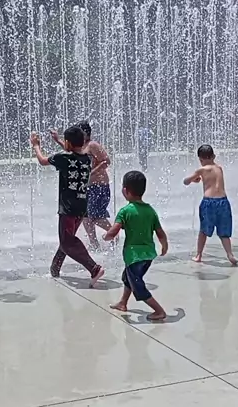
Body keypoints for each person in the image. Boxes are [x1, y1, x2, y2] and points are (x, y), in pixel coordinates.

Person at [31, 126, 105, 286]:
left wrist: (36, 145)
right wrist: (58, 140)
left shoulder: (63, 158)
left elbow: (43, 161)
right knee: (66, 239)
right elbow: (73, 153)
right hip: (81, 206)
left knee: (67, 241)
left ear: (68, 143)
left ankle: (94, 268)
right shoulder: (87, 159)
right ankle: (55, 269)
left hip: (68, 208)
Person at [104, 170, 168, 321]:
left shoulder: (125, 211)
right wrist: (164, 245)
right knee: (128, 278)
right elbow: (160, 232)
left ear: (125, 191)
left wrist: (106, 236)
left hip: (134, 256)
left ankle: (159, 311)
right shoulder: (150, 211)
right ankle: (123, 303)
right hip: (148, 255)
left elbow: (113, 231)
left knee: (137, 286)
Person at [50, 122, 112, 251]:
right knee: (86, 216)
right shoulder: (81, 147)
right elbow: (70, 150)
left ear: (85, 133)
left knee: (94, 217)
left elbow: (106, 161)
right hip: (87, 187)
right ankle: (94, 244)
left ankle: (113, 233)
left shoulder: (93, 145)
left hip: (99, 186)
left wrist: (91, 173)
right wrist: (57, 140)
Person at [183, 144, 238, 266]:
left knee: (203, 231)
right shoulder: (219, 168)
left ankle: (198, 255)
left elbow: (186, 181)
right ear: (213, 156)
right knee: (224, 232)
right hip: (223, 202)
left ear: (200, 159)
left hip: (208, 203)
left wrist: (193, 179)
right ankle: (230, 254)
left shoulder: (202, 170)